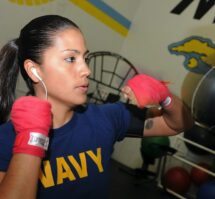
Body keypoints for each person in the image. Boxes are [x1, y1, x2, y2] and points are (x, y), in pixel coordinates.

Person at [0, 15, 194, 199]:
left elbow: (178, 124)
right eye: (70, 59)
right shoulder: (5, 139)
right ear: (34, 71)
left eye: (85, 58)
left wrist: (165, 97)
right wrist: (31, 139)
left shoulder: (107, 117)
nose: (86, 70)